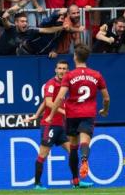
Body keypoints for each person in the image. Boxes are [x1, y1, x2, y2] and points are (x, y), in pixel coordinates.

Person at [46, 44, 109, 187]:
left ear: (75, 57)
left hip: (72, 114)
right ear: (87, 58)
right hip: (88, 113)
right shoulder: (96, 75)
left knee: (73, 147)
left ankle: (75, 179)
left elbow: (60, 97)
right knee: (85, 142)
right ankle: (85, 159)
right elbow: (106, 98)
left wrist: (51, 115)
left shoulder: (69, 75)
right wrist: (105, 110)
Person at [25, 60, 74, 190]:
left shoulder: (65, 84)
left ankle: (76, 181)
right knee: (43, 154)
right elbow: (48, 102)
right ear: (55, 70)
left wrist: (36, 115)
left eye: (64, 68)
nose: (62, 71)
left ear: (67, 71)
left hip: (61, 126)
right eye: (60, 68)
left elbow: (44, 103)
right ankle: (37, 184)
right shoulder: (51, 84)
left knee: (73, 152)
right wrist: (65, 111)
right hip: (49, 125)